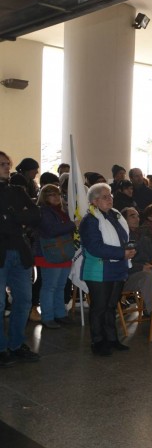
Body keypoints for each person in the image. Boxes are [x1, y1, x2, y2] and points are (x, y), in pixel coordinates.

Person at [79, 183, 135, 356]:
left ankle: (112, 339)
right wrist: (122, 253)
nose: (110, 199)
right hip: (99, 269)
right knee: (99, 307)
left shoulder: (116, 216)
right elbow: (95, 247)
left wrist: (130, 249)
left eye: (110, 195)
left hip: (117, 266)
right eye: (105, 197)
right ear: (94, 201)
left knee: (111, 306)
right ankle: (98, 341)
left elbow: (123, 238)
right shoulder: (90, 220)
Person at [0, 151, 42, 366]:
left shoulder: (17, 190)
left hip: (20, 252)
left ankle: (16, 345)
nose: (7, 167)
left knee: (24, 302)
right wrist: (17, 218)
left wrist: (12, 217)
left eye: (8, 163)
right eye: (2, 164)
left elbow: (36, 215)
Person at [34, 184, 77, 329]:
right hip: (49, 253)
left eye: (58, 194)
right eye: (52, 195)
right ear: (44, 197)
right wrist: (73, 224)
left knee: (60, 285)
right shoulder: (43, 211)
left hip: (62, 251)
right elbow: (52, 230)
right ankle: (47, 316)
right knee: (50, 286)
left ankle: (60, 314)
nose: (56, 197)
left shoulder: (60, 211)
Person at [121, 207, 152, 317]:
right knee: (147, 275)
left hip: (146, 270)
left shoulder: (143, 237)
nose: (137, 219)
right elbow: (120, 260)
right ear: (124, 219)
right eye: (132, 216)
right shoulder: (121, 237)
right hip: (126, 277)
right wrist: (140, 267)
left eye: (137, 216)